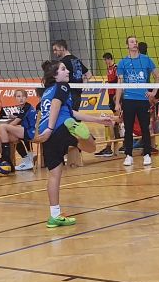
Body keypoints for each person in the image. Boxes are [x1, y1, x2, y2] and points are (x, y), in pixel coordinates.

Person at [35, 60, 115, 228]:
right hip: (60, 126)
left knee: (54, 175)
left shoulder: (47, 92)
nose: (68, 72)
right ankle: (79, 134)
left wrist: (98, 120)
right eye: (63, 69)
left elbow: (71, 111)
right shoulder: (62, 86)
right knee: (92, 146)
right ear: (55, 75)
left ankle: (54, 216)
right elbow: (56, 104)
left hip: (47, 136)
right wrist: (51, 128)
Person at [115, 36, 159, 167]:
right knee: (128, 129)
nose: (135, 43)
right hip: (128, 100)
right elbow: (120, 84)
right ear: (127, 45)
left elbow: (158, 76)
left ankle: (147, 154)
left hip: (143, 100)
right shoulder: (123, 63)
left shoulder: (146, 60)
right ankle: (128, 155)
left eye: (136, 41)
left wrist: (154, 92)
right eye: (132, 42)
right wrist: (117, 103)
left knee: (145, 128)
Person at [0, 90, 35, 170]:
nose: (21, 98)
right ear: (15, 98)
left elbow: (14, 123)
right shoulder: (22, 108)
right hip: (26, 131)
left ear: (26, 97)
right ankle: (9, 161)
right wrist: (14, 117)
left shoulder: (27, 107)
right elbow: (22, 117)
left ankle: (6, 157)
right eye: (18, 96)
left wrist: (5, 131)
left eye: (23, 96)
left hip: (31, 132)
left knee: (3, 127)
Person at [51, 40, 88, 111]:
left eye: (55, 49)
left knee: (67, 115)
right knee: (74, 115)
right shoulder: (76, 60)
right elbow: (88, 74)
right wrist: (82, 82)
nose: (54, 52)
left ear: (62, 48)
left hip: (68, 94)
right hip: (78, 94)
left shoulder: (62, 63)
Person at [94, 52, 118, 157]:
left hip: (116, 95)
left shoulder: (116, 68)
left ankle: (113, 146)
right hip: (111, 94)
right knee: (115, 120)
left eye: (105, 60)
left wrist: (117, 96)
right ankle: (112, 146)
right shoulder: (108, 68)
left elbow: (117, 81)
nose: (105, 62)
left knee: (117, 120)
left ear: (109, 59)